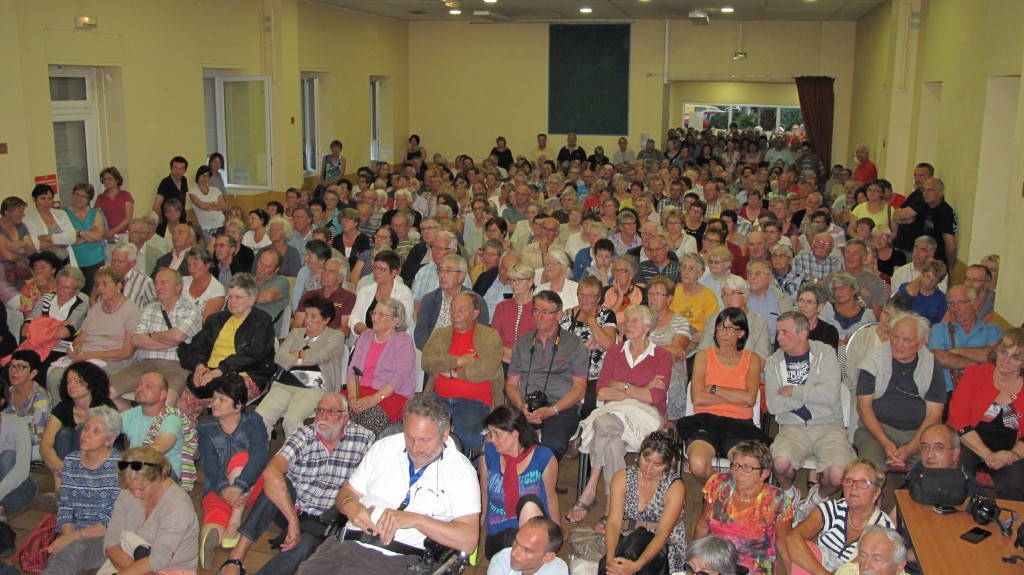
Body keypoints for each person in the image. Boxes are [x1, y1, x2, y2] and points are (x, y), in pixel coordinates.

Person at [296, 395, 479, 575]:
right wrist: (349, 504)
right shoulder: (384, 447)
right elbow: (348, 491)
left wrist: (415, 520)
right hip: (344, 547)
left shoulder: (461, 471)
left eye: (425, 440)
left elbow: (468, 540)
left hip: (396, 559)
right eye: (410, 437)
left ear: (445, 433)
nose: (415, 448)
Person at [217, 393, 374, 575]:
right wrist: (292, 521)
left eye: (331, 412)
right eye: (320, 410)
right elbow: (272, 471)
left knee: (302, 547)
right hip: (291, 508)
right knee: (276, 480)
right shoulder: (304, 435)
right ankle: (235, 559)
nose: (323, 416)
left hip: (326, 518)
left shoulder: (364, 439)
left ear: (346, 418)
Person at [571, 306, 672, 526]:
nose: (627, 324)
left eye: (633, 320)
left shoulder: (662, 356)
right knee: (613, 445)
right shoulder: (616, 351)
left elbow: (655, 397)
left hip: (645, 416)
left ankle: (591, 486)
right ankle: (612, 506)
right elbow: (602, 391)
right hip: (614, 410)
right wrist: (640, 388)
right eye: (626, 320)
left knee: (602, 423)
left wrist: (623, 385)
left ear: (648, 326)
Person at [765, 312, 853, 522]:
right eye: (778, 332)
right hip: (792, 427)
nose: (778, 338)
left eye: (785, 332)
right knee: (780, 463)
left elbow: (831, 394)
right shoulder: (773, 361)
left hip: (830, 426)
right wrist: (811, 392)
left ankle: (817, 498)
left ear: (803, 333)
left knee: (838, 475)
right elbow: (773, 404)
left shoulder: (825, 353)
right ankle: (789, 494)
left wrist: (792, 391)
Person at [679, 308, 766, 483]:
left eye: (730, 328)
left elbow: (750, 398)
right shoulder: (703, 356)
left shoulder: (752, 359)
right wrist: (736, 397)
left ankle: (725, 495)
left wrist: (713, 388)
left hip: (739, 423)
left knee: (746, 467)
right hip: (705, 420)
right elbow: (697, 398)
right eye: (720, 327)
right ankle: (721, 492)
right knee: (697, 464)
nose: (723, 333)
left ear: (741, 333)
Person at [177, 273, 277, 423]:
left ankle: (222, 442)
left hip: (245, 375)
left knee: (223, 409)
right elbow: (198, 345)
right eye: (229, 297)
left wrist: (220, 370)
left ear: (251, 300)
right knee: (180, 413)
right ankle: (190, 445)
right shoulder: (216, 319)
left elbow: (254, 354)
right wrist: (199, 366)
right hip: (209, 373)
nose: (232, 301)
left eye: (238, 297)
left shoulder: (261, 321)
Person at [854, 313, 945, 471]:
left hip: (918, 434)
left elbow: (934, 415)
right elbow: (863, 407)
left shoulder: (931, 364)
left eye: (907, 340)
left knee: (932, 471)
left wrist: (910, 448)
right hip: (876, 432)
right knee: (869, 471)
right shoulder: (873, 361)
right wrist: (885, 443)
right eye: (895, 337)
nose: (898, 344)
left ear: (921, 342)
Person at [196, 374, 270, 568]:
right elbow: (209, 463)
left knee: (242, 459)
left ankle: (235, 520)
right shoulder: (205, 427)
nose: (214, 404)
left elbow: (260, 458)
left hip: (252, 484)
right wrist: (223, 488)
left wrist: (238, 486)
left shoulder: (253, 422)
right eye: (214, 398)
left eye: (222, 400)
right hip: (221, 487)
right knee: (214, 510)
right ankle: (209, 541)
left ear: (238, 406)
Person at [506, 291, 589, 460]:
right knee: (503, 437)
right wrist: (521, 405)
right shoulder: (521, 343)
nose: (539, 317)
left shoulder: (573, 343)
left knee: (552, 445)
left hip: (561, 408)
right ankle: (516, 482)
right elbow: (511, 384)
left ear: (559, 315)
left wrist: (553, 410)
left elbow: (580, 389)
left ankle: (541, 484)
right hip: (526, 407)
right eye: (536, 311)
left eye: (545, 312)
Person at [41, 407, 123, 575]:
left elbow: (113, 520)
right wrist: (67, 537)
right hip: (76, 535)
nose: (86, 434)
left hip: (108, 538)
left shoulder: (120, 467)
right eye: (86, 428)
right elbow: (66, 507)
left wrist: (72, 538)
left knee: (70, 552)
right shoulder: (71, 461)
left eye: (96, 431)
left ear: (109, 440)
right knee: (65, 554)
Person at [946, 328, 1024, 501]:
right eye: (1003, 352)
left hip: (1011, 449)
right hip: (971, 441)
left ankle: (1008, 522)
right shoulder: (975, 374)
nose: (1006, 360)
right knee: (958, 465)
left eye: (1016, 357)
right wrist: (988, 454)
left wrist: (1013, 455)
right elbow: (957, 420)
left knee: (1016, 482)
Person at [423, 292, 504, 456]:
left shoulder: (489, 336)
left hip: (474, 403)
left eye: (461, 310)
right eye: (452, 310)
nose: (455, 315)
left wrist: (452, 374)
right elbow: (428, 362)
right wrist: (458, 361)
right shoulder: (440, 334)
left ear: (475, 313)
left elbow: (485, 368)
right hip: (438, 398)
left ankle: (471, 471)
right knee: (421, 428)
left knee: (463, 436)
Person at [109, 268, 203, 409]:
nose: (158, 287)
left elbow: (178, 335)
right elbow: (136, 340)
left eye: (164, 283)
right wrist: (169, 341)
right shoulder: (150, 308)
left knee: (165, 403)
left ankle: (151, 427)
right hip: (144, 364)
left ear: (179, 286)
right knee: (105, 393)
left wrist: (152, 335)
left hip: (176, 367)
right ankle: (133, 423)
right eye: (156, 283)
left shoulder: (191, 309)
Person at [695, 440, 793, 575]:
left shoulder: (777, 502)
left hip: (754, 568)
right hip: (716, 560)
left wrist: (791, 571)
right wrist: (694, 559)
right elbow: (702, 525)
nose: (739, 473)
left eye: (747, 468)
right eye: (736, 465)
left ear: (764, 473)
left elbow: (784, 544)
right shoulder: (718, 484)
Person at [258, 294, 348, 438]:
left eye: (313, 316)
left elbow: (322, 355)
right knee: (260, 418)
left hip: (314, 387)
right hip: (284, 384)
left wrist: (298, 354)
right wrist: (304, 360)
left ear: (326, 320)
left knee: (291, 420)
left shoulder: (335, 336)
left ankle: (295, 458)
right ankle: (260, 458)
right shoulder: (296, 333)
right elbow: (279, 357)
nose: (307, 320)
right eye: (306, 315)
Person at [786, 458, 895, 575]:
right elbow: (792, 539)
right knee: (806, 548)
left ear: (877, 493)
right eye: (848, 480)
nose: (854, 487)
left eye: (863, 482)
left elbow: (861, 568)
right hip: (818, 570)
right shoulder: (830, 509)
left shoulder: (884, 529)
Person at [100, 446, 199, 575]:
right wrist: (131, 570)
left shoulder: (177, 505)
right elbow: (111, 541)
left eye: (142, 489)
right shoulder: (127, 493)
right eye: (131, 489)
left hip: (170, 569)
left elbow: (158, 559)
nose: (135, 494)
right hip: (130, 560)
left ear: (159, 477)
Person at [599, 431, 687, 575]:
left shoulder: (675, 487)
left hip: (663, 546)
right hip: (629, 540)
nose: (649, 468)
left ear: (667, 464)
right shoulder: (622, 477)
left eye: (657, 464)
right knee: (616, 564)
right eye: (646, 459)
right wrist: (610, 559)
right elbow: (614, 522)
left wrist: (635, 566)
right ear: (639, 454)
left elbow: (663, 534)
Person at [47, 266, 141, 400]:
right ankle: (65, 417)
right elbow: (80, 338)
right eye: (97, 284)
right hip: (85, 357)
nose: (100, 288)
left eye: (105, 284)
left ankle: (84, 417)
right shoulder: (96, 308)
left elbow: (127, 352)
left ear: (119, 286)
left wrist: (90, 355)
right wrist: (74, 349)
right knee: (55, 376)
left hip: (113, 360)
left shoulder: (132, 311)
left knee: (81, 380)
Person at [479, 405, 559, 560]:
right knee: (514, 541)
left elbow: (551, 498)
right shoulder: (489, 454)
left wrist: (557, 533)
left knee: (529, 504)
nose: (492, 439)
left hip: (536, 532)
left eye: (497, 434)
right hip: (498, 534)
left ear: (515, 433)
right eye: (490, 433)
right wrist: (477, 527)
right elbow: (484, 493)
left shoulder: (543, 458)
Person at [40, 361, 117, 495]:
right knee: (64, 434)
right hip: (68, 468)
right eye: (68, 381)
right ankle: (60, 491)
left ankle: (79, 489)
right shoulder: (64, 407)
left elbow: (107, 443)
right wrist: (62, 467)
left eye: (77, 381)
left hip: (103, 461)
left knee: (84, 431)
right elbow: (45, 446)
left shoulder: (105, 407)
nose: (71, 385)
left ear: (91, 382)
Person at [558, 275, 617, 420]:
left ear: (598, 298)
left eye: (590, 296)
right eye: (581, 295)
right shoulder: (568, 314)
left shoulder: (607, 315)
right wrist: (583, 348)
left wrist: (591, 320)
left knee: (588, 407)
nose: (584, 300)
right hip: (568, 371)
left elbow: (609, 345)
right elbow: (558, 348)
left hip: (595, 374)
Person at [120, 372, 190, 489]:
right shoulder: (132, 414)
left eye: (148, 386)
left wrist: (129, 462)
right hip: (136, 468)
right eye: (139, 385)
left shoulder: (172, 418)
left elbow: (158, 449)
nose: (140, 388)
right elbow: (108, 428)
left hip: (164, 472)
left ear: (163, 394)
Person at [350, 250, 414, 338]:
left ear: (394, 272)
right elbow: (353, 318)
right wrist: (367, 332)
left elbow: (401, 324)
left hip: (394, 342)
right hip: (365, 338)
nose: (377, 272)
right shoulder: (365, 291)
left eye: (382, 269)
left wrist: (375, 337)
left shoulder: (404, 293)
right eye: (375, 268)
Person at [2, 350, 49, 460]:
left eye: (20, 367)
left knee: (6, 457)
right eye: (11, 366)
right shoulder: (6, 393)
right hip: (6, 443)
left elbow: (37, 436)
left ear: (33, 373)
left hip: (34, 447)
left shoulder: (40, 397)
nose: (13, 371)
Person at [64, 183, 107, 294]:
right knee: (75, 294)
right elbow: (67, 240)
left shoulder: (95, 213)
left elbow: (98, 236)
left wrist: (79, 232)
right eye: (76, 194)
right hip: (74, 262)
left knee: (95, 293)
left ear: (89, 199)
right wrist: (89, 234)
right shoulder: (63, 214)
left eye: (83, 196)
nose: (79, 198)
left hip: (95, 261)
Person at [492, 263, 538, 367]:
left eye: (519, 280)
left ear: (530, 281)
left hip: (531, 361)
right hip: (502, 360)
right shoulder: (502, 307)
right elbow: (494, 338)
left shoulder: (540, 307)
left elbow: (545, 340)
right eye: (512, 280)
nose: (514, 284)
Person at [486, 517, 567, 575]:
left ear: (548, 557)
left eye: (526, 550)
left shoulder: (558, 571)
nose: (513, 554)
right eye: (516, 542)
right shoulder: (500, 562)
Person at [23, 185, 72, 269]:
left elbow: (71, 237)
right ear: (34, 199)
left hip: (65, 262)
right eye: (42, 198)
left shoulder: (61, 214)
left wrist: (49, 237)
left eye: (50, 198)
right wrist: (61, 243)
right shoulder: (27, 218)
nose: (47, 202)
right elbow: (35, 245)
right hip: (43, 267)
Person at [834, 526, 908, 575]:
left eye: (877, 559)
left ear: (899, 567)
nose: (866, 565)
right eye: (863, 556)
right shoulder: (846, 572)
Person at [828, 272, 877, 344]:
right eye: (835, 289)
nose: (839, 291)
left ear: (854, 290)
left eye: (843, 287)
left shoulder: (868, 314)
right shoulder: (827, 308)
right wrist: (840, 343)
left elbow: (872, 340)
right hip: (831, 350)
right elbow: (819, 334)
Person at [895, 258, 947, 326]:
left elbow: (939, 324)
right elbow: (910, 293)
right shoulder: (907, 287)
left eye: (934, 280)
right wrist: (920, 278)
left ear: (938, 282)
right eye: (928, 276)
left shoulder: (941, 299)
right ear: (923, 274)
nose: (928, 282)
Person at [188, 165, 227, 239]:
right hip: (206, 226)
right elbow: (201, 206)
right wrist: (215, 203)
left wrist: (210, 208)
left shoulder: (215, 190)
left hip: (221, 223)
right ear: (198, 176)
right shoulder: (193, 192)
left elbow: (224, 206)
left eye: (207, 176)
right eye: (202, 176)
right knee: (210, 248)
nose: (204, 178)